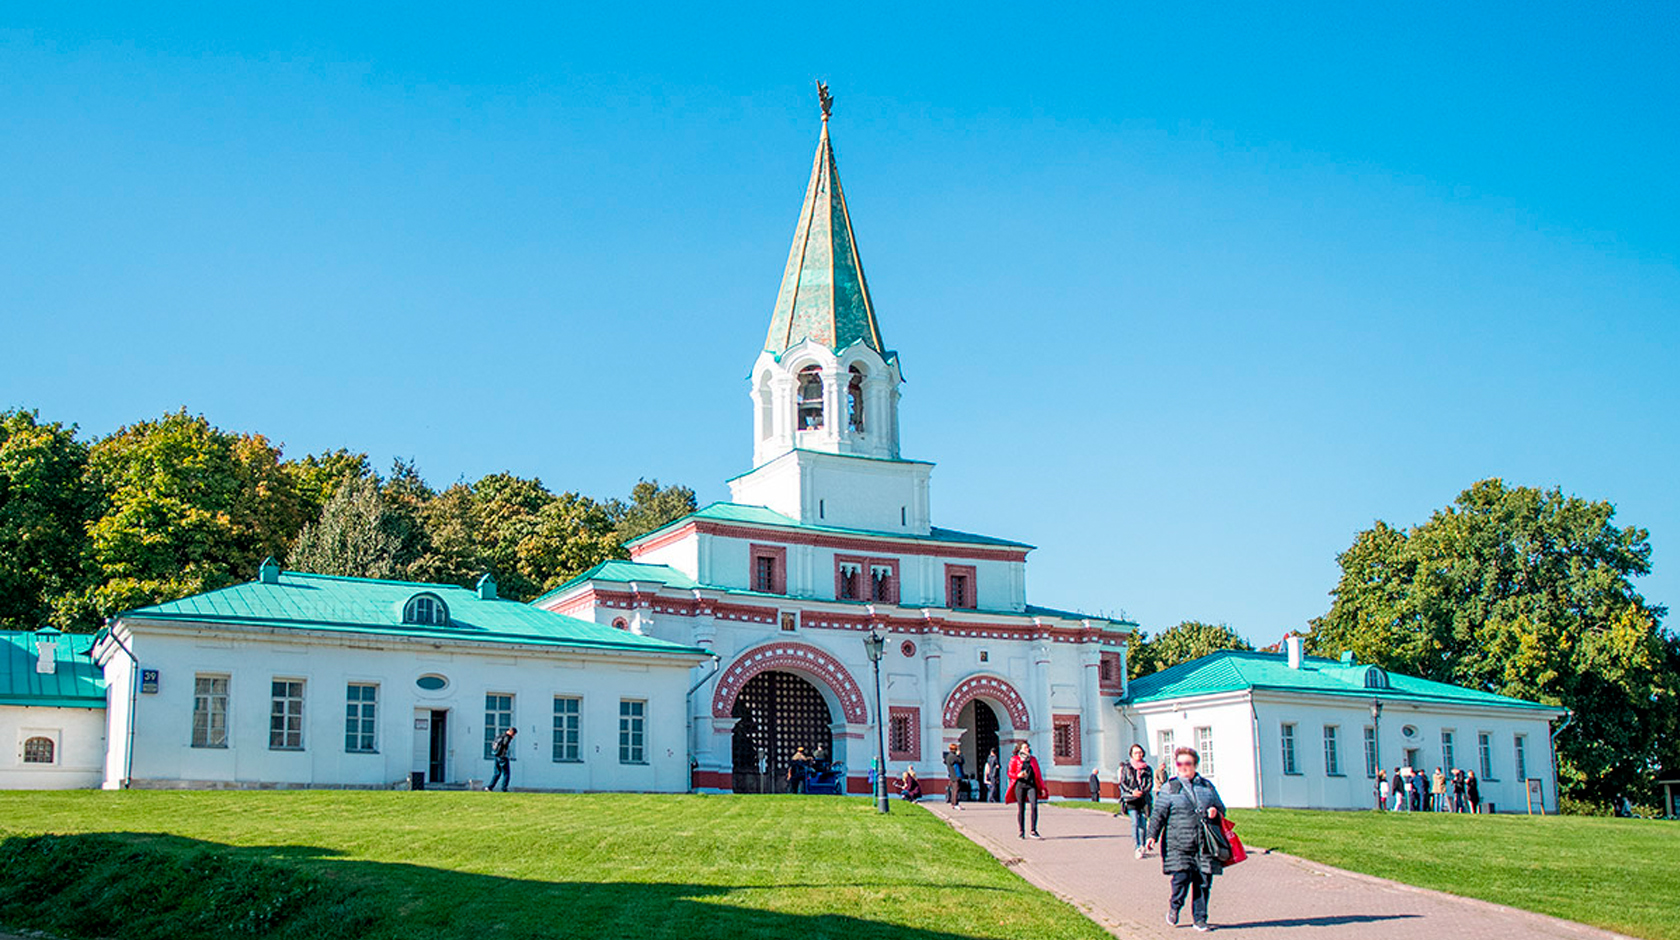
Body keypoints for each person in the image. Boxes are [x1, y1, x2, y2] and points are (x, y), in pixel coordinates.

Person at [1145, 746, 1226, 933]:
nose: (1182, 767)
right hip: (1178, 843)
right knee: (1181, 879)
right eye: (1179, 763)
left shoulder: (1206, 786)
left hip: (1204, 843)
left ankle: (1200, 918)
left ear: (1195, 765)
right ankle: (1175, 906)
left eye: (1187, 763)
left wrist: (1216, 812)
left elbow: (1221, 808)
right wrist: (1151, 836)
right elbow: (1158, 815)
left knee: (1204, 881)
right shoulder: (1169, 788)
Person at [1118, 744, 1154, 858]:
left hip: (1143, 799)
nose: (1138, 755)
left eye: (1140, 752)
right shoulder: (1127, 768)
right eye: (1136, 753)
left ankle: (1143, 844)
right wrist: (1132, 791)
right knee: (1135, 822)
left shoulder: (1147, 769)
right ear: (1131, 754)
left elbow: (1150, 783)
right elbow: (1123, 782)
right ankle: (1137, 846)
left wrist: (1142, 791)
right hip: (1131, 799)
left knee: (1143, 823)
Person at [1007, 742, 1045, 839]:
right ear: (1020, 749)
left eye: (1028, 747)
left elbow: (1038, 775)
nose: (1027, 749)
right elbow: (1010, 773)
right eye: (1025, 748)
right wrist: (1018, 775)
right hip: (1020, 785)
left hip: (1031, 785)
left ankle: (1033, 830)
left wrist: (1042, 788)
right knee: (1021, 808)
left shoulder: (1033, 760)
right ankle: (1021, 831)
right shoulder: (1015, 759)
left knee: (1034, 806)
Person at [486, 726, 517, 792]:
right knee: (506, 773)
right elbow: (505, 744)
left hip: (496, 755)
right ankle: (504, 788)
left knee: (497, 773)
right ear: (512, 733)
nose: (513, 736)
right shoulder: (507, 737)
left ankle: (489, 787)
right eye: (514, 734)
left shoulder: (500, 735)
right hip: (502, 757)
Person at [944, 742, 966, 808]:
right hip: (956, 775)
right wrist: (959, 755)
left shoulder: (948, 756)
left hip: (952, 775)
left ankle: (953, 803)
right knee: (956, 790)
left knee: (954, 789)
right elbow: (961, 761)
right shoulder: (953, 757)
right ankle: (955, 803)